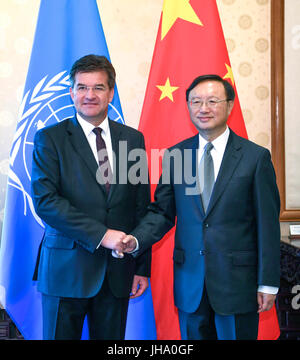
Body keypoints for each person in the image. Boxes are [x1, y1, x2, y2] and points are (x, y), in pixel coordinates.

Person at [122, 74, 281, 340]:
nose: (203, 109)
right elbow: (162, 212)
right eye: (196, 102)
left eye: (212, 101)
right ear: (187, 107)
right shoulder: (176, 156)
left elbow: (267, 225)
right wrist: (136, 240)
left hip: (238, 285)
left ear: (229, 106)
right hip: (190, 282)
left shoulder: (255, 158)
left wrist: (267, 282)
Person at [31, 54, 151, 340]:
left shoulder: (132, 140)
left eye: (98, 87)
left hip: (118, 272)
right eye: (82, 87)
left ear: (111, 92)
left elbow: (140, 206)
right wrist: (102, 235)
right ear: (71, 92)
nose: (89, 95)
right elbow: (46, 201)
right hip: (65, 271)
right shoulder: (50, 138)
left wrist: (141, 266)